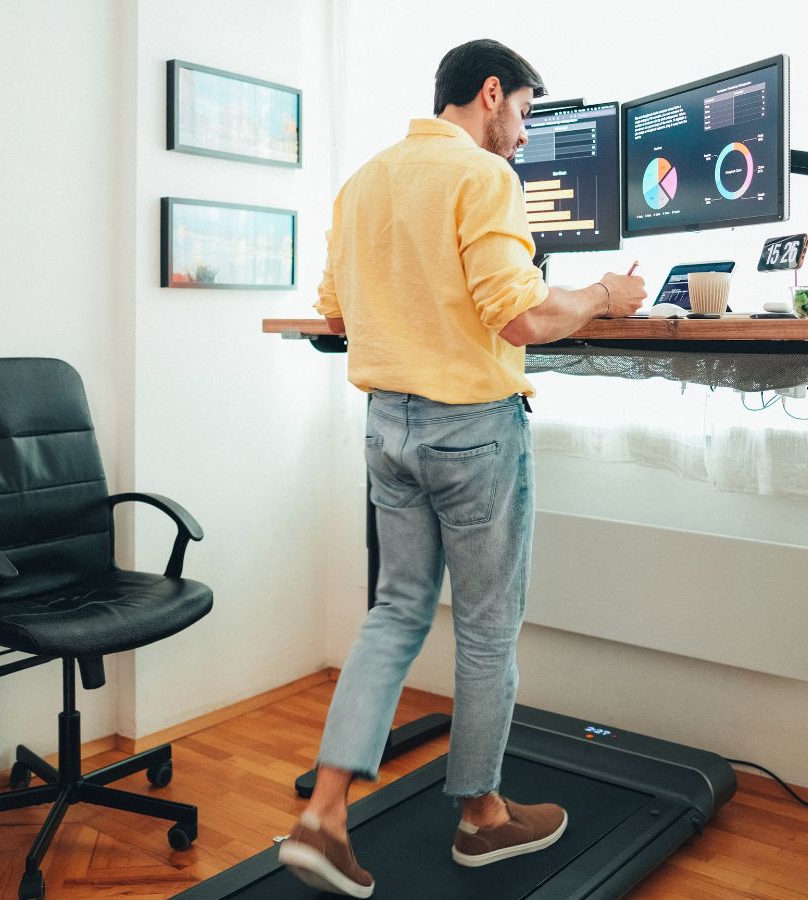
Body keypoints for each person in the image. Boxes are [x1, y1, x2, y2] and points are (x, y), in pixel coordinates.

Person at [276, 39, 646, 897]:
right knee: (485, 626)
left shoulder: (364, 179)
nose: (522, 135)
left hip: (386, 425)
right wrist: (600, 297)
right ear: (490, 94)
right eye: (522, 111)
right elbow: (518, 318)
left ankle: (323, 814)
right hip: (471, 430)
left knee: (396, 609)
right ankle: (481, 818)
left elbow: (333, 311)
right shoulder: (484, 179)